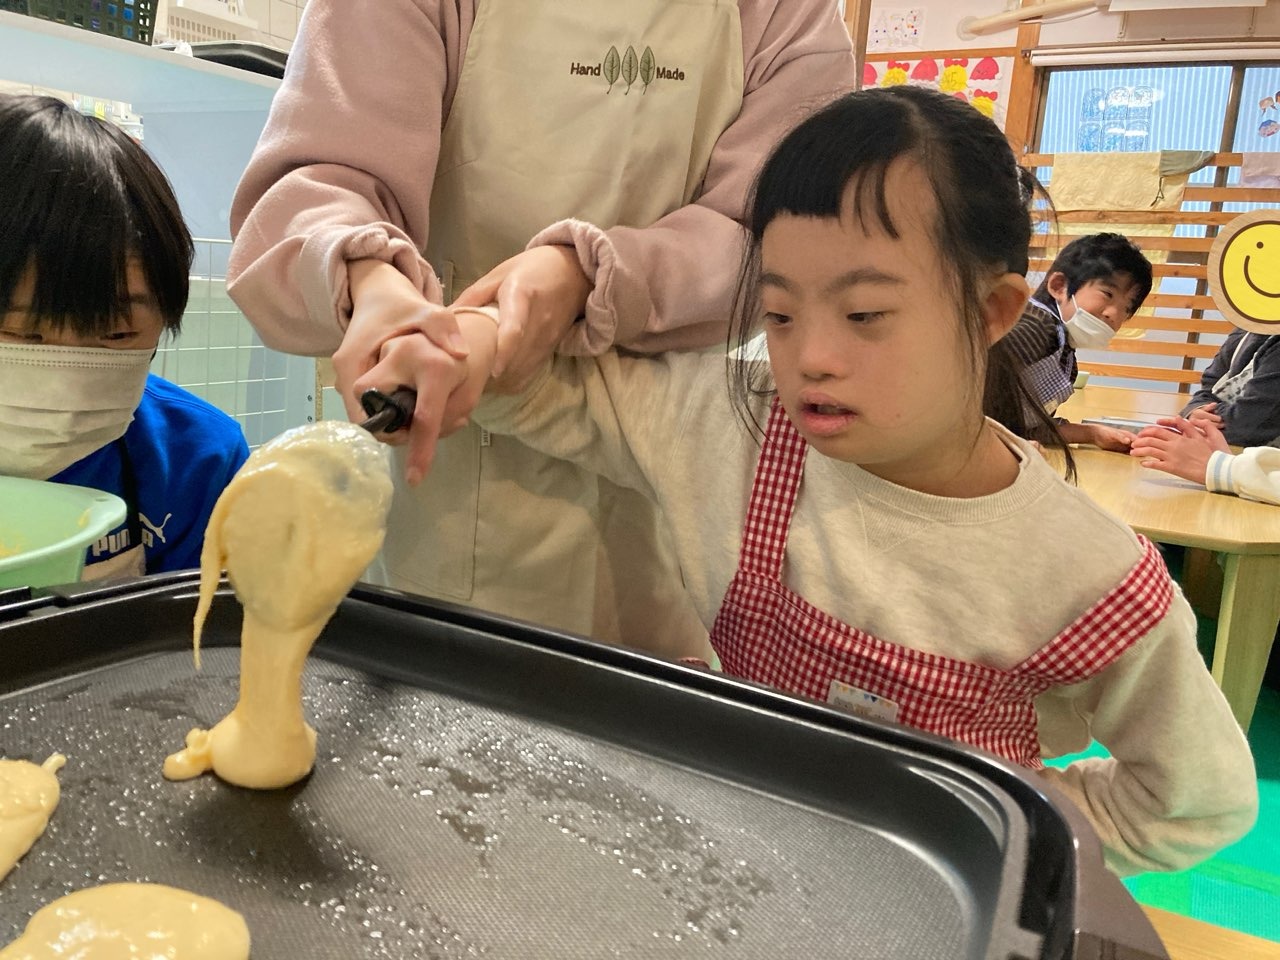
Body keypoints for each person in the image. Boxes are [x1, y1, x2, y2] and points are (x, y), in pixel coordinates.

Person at [399, 86, 1257, 876]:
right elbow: (546, 391)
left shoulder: (1089, 574)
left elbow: (1194, 805)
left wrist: (995, 825)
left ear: (992, 313)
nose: (810, 356)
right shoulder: (737, 427)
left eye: (864, 315)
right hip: (738, 868)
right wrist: (452, 350)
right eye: (778, 313)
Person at [226, 1, 859, 660]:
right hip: (437, 491)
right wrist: (374, 280)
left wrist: (588, 276)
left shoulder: (787, 11)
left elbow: (782, 231)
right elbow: (319, 179)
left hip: (671, 498)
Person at [0, 94, 249, 579]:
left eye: (116, 332)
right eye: (22, 333)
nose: (67, 382)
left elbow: (195, 646)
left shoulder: (195, 460)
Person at [1002, 232, 1154, 452]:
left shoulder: (1065, 356)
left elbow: (1029, 429)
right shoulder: (1034, 327)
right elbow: (968, 407)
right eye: (1107, 294)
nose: (1115, 314)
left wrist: (1092, 434)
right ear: (1059, 286)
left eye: (1127, 308)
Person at [1180, 329, 1280, 447]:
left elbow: (1246, 426)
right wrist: (1196, 411)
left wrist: (1206, 421)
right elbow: (1210, 384)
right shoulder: (1245, 330)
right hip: (1228, 448)